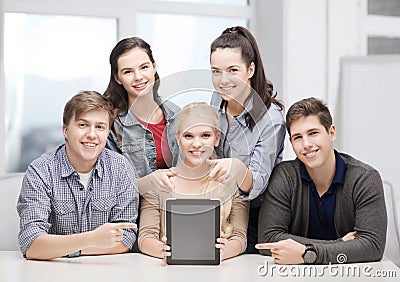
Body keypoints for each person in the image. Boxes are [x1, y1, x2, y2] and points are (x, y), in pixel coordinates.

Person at [256, 97, 387, 264]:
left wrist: (308, 254)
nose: (306, 144)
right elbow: (268, 239)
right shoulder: (284, 176)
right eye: (298, 137)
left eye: (313, 133)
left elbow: (372, 246)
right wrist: (340, 245)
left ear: (331, 132)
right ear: (291, 142)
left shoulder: (364, 179)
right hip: (295, 276)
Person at [17, 91, 138, 260]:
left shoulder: (121, 167)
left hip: (105, 270)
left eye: (100, 127)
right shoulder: (40, 170)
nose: (92, 134)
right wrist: (91, 239)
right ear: (65, 130)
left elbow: (126, 238)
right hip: (52, 272)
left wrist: (67, 249)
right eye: (83, 125)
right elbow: (31, 244)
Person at [138, 102, 249, 265]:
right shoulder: (160, 182)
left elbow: (240, 237)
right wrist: (162, 250)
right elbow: (146, 236)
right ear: (178, 138)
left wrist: (224, 252)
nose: (196, 144)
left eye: (205, 135)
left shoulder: (233, 181)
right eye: (188, 136)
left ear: (216, 138)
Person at [209, 26, 286, 253]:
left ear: (250, 69)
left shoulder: (270, 119)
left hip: (256, 218)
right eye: (215, 71)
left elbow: (258, 185)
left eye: (233, 70)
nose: (223, 80)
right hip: (221, 209)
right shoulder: (217, 99)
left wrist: (235, 167)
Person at [103, 37, 180, 195]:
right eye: (128, 72)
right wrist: (148, 182)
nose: (138, 76)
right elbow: (109, 186)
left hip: (178, 206)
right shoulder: (111, 125)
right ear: (118, 78)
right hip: (135, 213)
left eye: (144, 67)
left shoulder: (177, 114)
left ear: (154, 67)